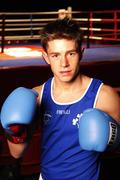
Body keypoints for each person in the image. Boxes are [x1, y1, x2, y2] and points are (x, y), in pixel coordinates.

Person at [0, 18, 120, 180]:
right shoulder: (38, 96)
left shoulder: (103, 95)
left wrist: (110, 137)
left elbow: (117, 144)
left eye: (71, 53)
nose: (64, 63)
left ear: (81, 53)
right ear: (46, 57)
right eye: (56, 55)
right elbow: (17, 153)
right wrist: (14, 130)